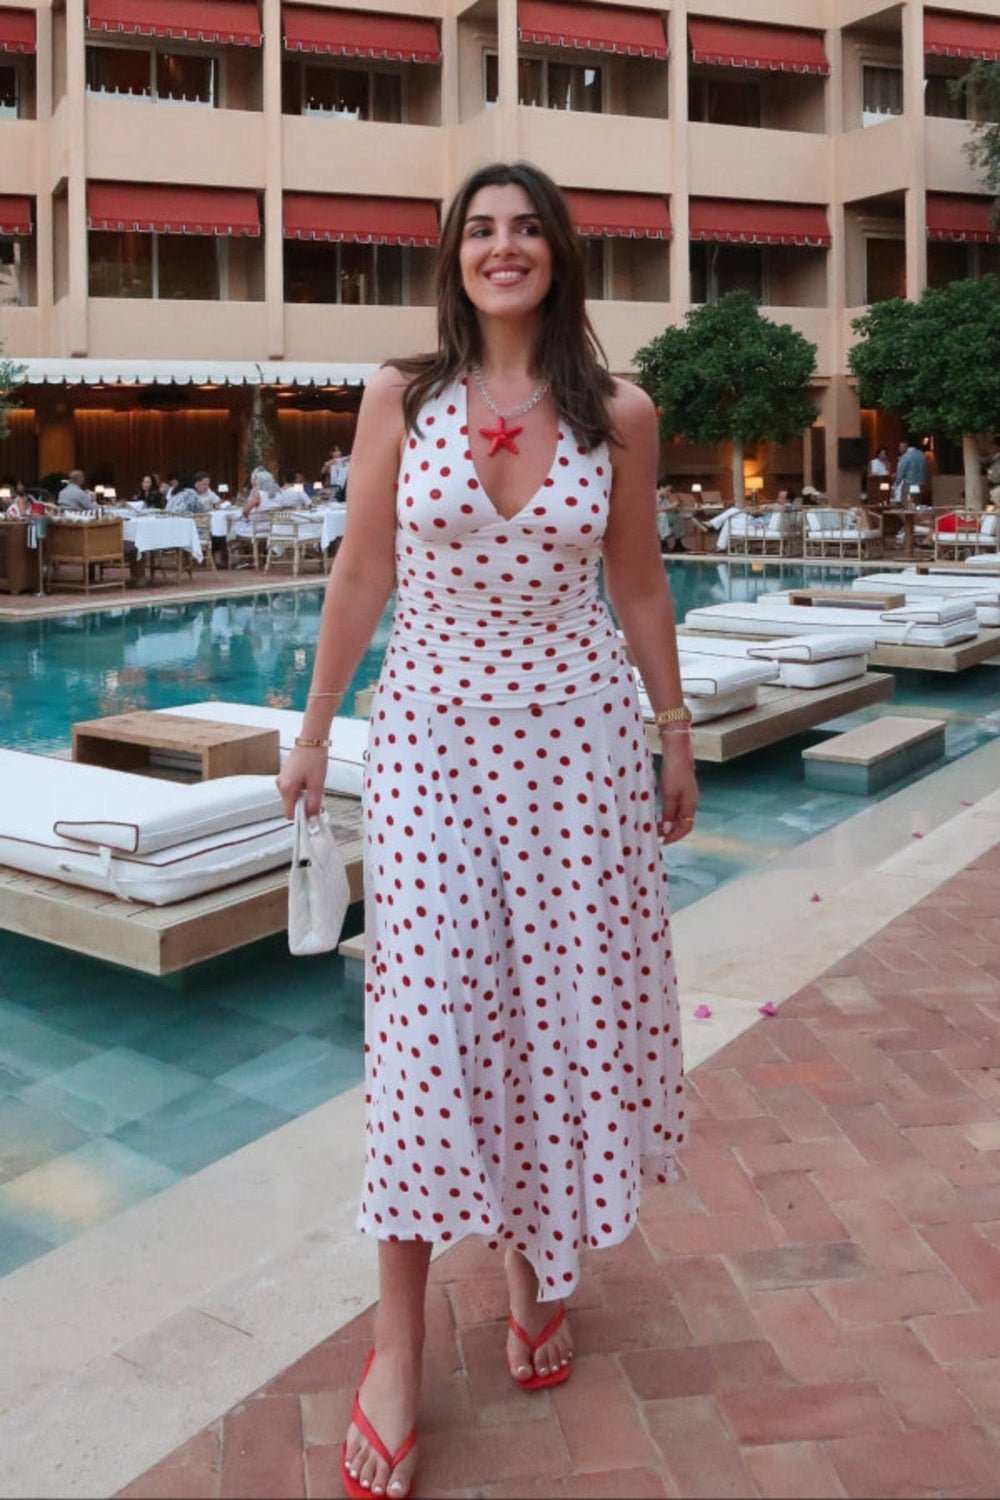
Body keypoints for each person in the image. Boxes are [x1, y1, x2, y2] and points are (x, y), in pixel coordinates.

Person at [276, 160, 697, 1500]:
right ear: (452, 256)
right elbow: (362, 567)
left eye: (526, 230)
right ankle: (396, 1352)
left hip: (578, 750)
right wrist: (314, 723)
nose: (502, 248)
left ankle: (530, 1259)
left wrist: (674, 729)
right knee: (430, 1026)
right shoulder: (403, 396)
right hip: (435, 743)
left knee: (556, 1020)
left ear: (559, 254)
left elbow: (636, 582)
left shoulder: (619, 413)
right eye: (479, 230)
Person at [892, 436, 928, 504]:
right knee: (917, 506)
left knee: (907, 507)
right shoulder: (922, 455)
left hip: (909, 485)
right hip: (920, 486)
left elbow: (900, 474)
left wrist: (894, 486)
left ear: (907, 444)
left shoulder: (906, 456)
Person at [655, 479, 687, 552]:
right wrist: (670, 507)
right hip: (653, 518)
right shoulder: (653, 496)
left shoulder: (664, 498)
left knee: (678, 516)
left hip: (662, 517)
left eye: (670, 491)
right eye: (667, 490)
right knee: (662, 515)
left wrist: (674, 510)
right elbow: (653, 511)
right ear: (660, 488)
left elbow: (667, 509)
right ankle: (663, 544)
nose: (669, 493)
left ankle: (678, 544)